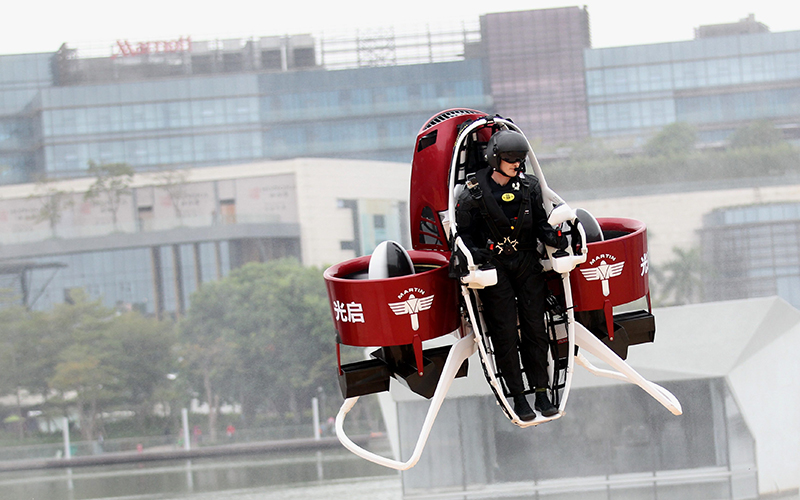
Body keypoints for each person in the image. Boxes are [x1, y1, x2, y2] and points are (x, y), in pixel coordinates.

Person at [455, 129, 565, 421]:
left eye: (520, 159)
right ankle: (519, 397)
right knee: (503, 333)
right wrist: (475, 253)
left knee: (535, 328)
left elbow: (541, 222)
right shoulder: (472, 194)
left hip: (527, 261)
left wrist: (555, 238)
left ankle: (541, 391)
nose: (517, 164)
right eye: (510, 159)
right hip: (495, 267)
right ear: (495, 159)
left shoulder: (529, 188)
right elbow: (462, 235)